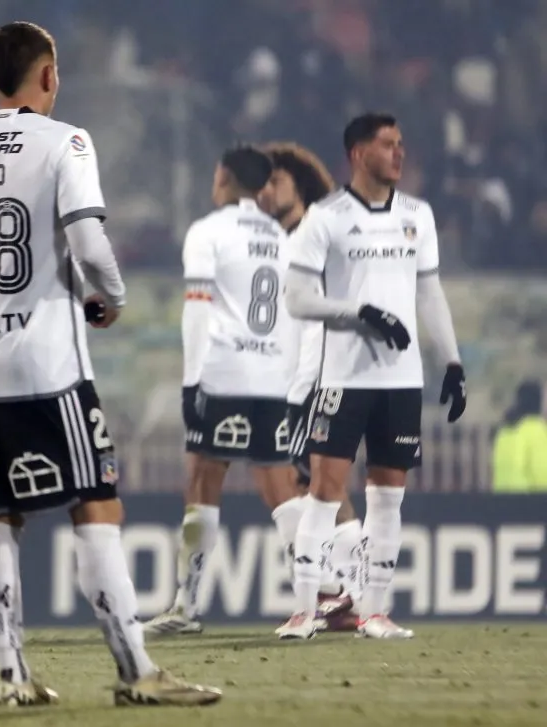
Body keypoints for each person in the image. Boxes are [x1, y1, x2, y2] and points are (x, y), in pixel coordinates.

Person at [0, 22, 220, 708]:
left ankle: (12, 675)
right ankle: (136, 669)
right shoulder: (66, 142)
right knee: (95, 501)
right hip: (47, 363)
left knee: (0, 515)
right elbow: (89, 241)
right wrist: (107, 298)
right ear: (49, 76)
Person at [278, 113, 467, 640]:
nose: (399, 153)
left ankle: (375, 612)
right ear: (358, 154)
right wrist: (358, 312)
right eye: (388, 145)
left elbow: (429, 291)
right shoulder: (326, 217)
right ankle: (303, 611)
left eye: (402, 144)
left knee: (388, 498)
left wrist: (451, 361)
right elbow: (296, 298)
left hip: (401, 382)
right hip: (342, 378)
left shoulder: (417, 215)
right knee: (324, 492)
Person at [143, 146, 299, 636]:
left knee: (202, 481)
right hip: (274, 378)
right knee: (281, 489)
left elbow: (197, 310)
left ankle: (187, 606)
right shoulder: (281, 237)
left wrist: (192, 382)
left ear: (225, 177)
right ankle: (314, 600)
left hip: (226, 373)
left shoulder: (208, 231)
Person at [260, 142, 361, 632]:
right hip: (290, 380)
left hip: (316, 377)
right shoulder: (277, 241)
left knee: (318, 482)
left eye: (275, 181)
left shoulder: (313, 238)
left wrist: (314, 380)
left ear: (299, 188)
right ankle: (338, 593)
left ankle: (350, 593)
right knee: (310, 482)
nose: (265, 191)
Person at [492, 380, 547, 491]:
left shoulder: (505, 430)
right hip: (528, 503)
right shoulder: (536, 428)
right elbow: (542, 474)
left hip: (501, 502)